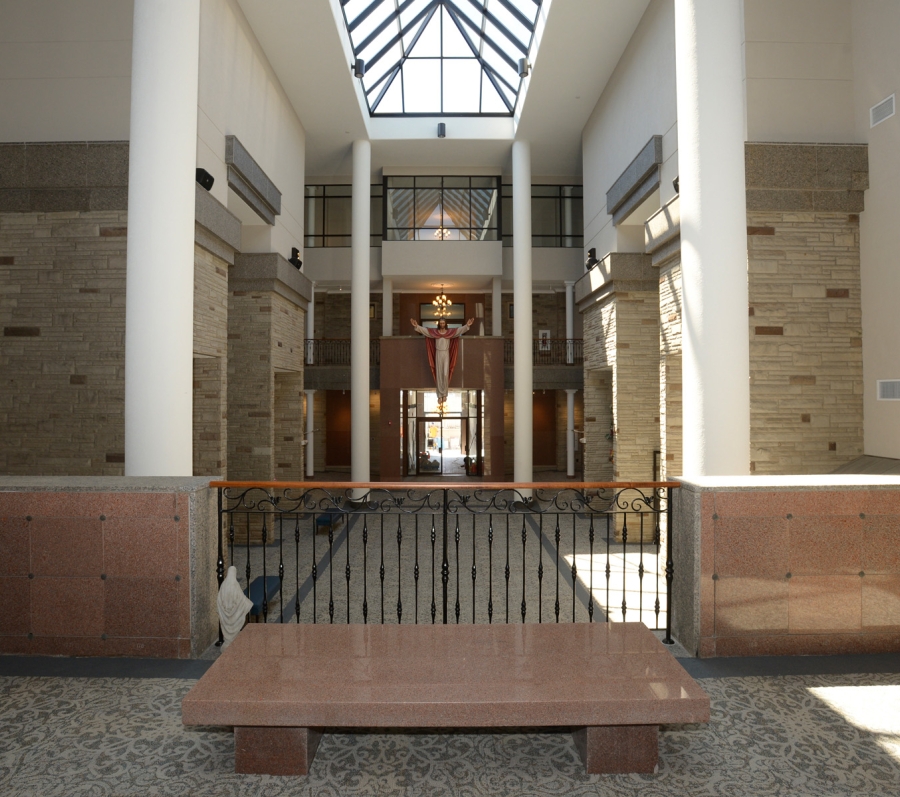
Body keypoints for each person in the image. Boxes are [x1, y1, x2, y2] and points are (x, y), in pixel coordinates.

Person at [410, 316, 474, 404]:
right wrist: (417, 326)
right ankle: (440, 396)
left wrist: (467, 325)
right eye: (440, 323)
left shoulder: (450, 332)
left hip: (446, 353)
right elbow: (425, 331)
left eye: (443, 323)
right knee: (439, 374)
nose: (442, 324)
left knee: (445, 373)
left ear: (445, 324)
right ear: (439, 324)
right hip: (438, 353)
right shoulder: (435, 332)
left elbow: (459, 330)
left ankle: (444, 394)